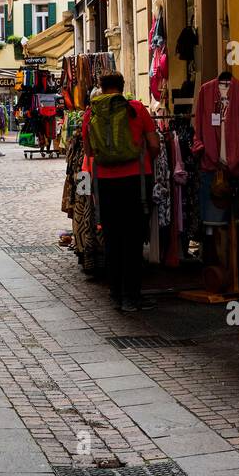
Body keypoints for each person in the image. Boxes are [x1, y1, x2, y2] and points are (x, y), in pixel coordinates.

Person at [82, 72, 160, 313]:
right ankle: (131, 296)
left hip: (105, 182)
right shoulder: (135, 108)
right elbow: (155, 145)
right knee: (133, 239)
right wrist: (145, 158)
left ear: (101, 88)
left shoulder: (91, 113)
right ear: (122, 86)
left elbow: (89, 151)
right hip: (135, 180)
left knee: (113, 238)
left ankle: (115, 292)